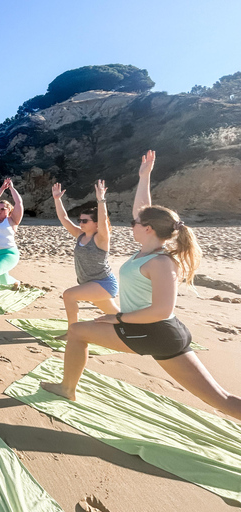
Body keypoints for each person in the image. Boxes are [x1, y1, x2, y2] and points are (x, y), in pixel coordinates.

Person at [41, 151, 241, 421]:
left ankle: (67, 388)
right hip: (158, 332)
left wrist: (118, 317)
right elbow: (143, 210)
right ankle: (67, 387)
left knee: (77, 332)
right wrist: (144, 177)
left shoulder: (161, 262)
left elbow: (161, 310)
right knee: (221, 398)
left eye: (136, 223)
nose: (131, 223)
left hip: (154, 332)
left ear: (147, 229)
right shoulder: (148, 250)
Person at [52, 180, 119, 338]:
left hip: (103, 283)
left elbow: (103, 221)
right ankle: (138, 326)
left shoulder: (101, 238)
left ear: (95, 224)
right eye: (80, 220)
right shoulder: (80, 235)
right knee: (118, 317)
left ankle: (72, 332)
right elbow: (64, 218)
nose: (80, 223)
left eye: (85, 221)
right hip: (88, 283)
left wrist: (101, 200)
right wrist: (57, 199)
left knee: (69, 295)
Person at [0, 178, 24, 304]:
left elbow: (19, 203)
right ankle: (16, 282)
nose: (0, 211)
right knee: (2, 279)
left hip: (8, 254)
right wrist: (2, 188)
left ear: (9, 210)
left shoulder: (13, 220)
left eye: (3, 209)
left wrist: (11, 188)